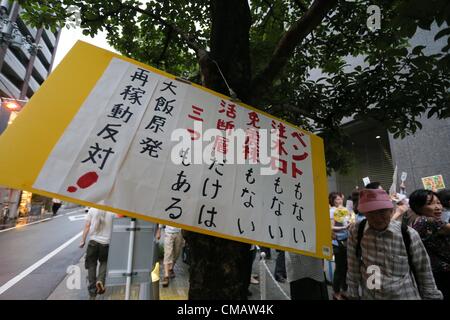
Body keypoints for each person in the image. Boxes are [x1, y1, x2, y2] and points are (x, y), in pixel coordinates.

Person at [347, 188, 442, 300]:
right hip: (371, 295)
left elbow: (423, 270)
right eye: (371, 213)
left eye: (382, 211)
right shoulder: (357, 231)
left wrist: (431, 296)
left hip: (404, 295)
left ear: (391, 211)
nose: (377, 218)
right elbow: (353, 265)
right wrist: (353, 294)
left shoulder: (408, 234)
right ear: (365, 214)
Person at [409, 189, 450, 300]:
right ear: (418, 207)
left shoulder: (416, 221)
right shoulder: (429, 221)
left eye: (438, 202)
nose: (437, 207)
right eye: (430, 204)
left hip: (433, 272)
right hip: (443, 273)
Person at [79, 207, 115, 299]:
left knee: (91, 266)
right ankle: (100, 281)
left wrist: (82, 240)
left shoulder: (92, 209)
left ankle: (92, 293)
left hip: (93, 243)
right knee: (104, 262)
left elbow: (87, 226)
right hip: (106, 243)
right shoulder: (113, 210)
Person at [329, 191, 352, 300]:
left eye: (340, 198)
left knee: (346, 267)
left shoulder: (344, 210)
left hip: (347, 240)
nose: (339, 201)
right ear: (332, 201)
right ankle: (336, 291)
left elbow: (347, 221)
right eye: (336, 199)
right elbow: (331, 227)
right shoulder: (332, 211)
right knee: (339, 267)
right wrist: (344, 228)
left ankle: (344, 289)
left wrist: (350, 222)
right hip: (337, 242)